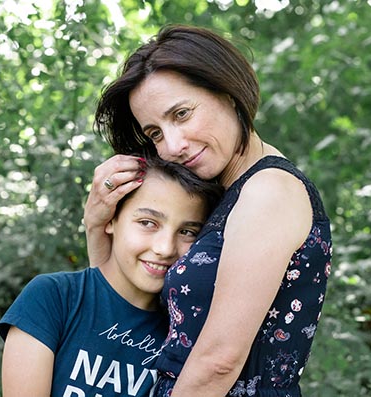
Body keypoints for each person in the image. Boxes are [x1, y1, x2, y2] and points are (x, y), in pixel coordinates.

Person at [84, 24, 332, 397]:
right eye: (154, 132)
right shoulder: (226, 195)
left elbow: (219, 362)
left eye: (181, 114)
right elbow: (125, 309)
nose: (173, 145)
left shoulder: (268, 192)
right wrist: (95, 224)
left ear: (228, 93)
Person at [0, 156, 223, 397]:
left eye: (187, 232)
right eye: (148, 223)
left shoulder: (187, 328)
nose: (165, 248)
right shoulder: (54, 297)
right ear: (111, 219)